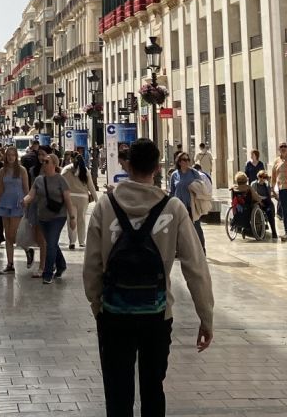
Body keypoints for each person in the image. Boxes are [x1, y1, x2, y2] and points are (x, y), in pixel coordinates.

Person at [83, 139, 213, 417]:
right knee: (153, 388)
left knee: (118, 392)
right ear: (157, 168)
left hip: (114, 313)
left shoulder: (105, 206)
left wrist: (97, 306)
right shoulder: (173, 208)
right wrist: (206, 316)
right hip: (157, 313)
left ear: (127, 166)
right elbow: (196, 267)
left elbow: (92, 265)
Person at [32, 153, 76, 283]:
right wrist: (24, 201)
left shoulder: (61, 180)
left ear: (54, 164)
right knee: (52, 243)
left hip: (58, 216)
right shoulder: (39, 180)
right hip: (43, 217)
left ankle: (48, 273)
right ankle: (61, 265)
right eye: (43, 161)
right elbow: (31, 194)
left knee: (50, 244)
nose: (44, 163)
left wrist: (72, 217)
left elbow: (67, 199)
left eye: (47, 161)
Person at [0, 147, 30, 274]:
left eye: (13, 155)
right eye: (9, 155)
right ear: (5, 156)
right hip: (4, 203)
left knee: (12, 234)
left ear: (16, 156)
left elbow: (26, 189)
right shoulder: (2, 171)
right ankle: (10, 264)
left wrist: (27, 204)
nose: (11, 157)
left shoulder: (22, 170)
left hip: (17, 204)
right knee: (7, 235)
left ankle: (27, 249)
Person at [166, 150, 212, 246]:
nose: (187, 162)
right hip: (179, 206)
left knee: (196, 227)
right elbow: (172, 192)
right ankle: (181, 249)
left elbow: (201, 187)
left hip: (191, 205)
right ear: (179, 162)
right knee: (179, 229)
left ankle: (201, 248)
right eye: (184, 160)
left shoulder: (194, 173)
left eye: (188, 160)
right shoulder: (174, 175)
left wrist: (194, 187)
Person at [63, 153, 96, 249]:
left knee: (72, 218)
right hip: (83, 198)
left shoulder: (66, 169)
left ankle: (72, 241)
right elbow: (91, 186)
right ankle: (82, 241)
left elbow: (60, 182)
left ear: (71, 159)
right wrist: (97, 200)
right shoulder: (85, 170)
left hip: (70, 197)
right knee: (81, 220)